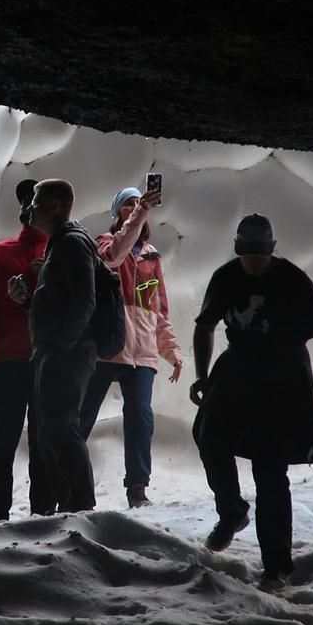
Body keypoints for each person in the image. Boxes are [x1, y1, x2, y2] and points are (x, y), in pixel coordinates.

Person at [190, 214, 313, 590]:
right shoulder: (226, 277)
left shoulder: (293, 280)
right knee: (210, 437)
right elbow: (205, 325)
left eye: (260, 253)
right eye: (248, 253)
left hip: (283, 380)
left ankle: (276, 565)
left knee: (271, 470)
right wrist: (203, 375)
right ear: (239, 249)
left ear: (271, 250)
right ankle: (232, 512)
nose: (254, 260)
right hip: (238, 369)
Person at [79, 185, 183, 508]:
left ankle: (137, 487)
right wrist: (140, 215)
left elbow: (159, 309)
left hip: (142, 352)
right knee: (83, 415)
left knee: (140, 416)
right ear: (117, 213)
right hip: (109, 343)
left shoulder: (152, 256)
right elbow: (114, 256)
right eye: (128, 205)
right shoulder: (104, 243)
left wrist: (171, 351)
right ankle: (66, 478)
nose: (135, 207)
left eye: (139, 203)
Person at [0, 178, 52, 521]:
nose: (27, 208)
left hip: (46, 360)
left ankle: (44, 509)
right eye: (24, 202)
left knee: (43, 441)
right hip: (8, 363)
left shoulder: (58, 253)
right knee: (3, 441)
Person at [23, 179, 100, 513]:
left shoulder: (71, 243)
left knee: (60, 428)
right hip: (57, 350)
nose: (29, 209)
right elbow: (66, 301)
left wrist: (63, 346)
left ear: (54, 206)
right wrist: (30, 303)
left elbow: (85, 299)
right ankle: (69, 504)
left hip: (64, 353)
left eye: (35, 201)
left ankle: (79, 506)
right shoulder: (62, 243)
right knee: (50, 431)